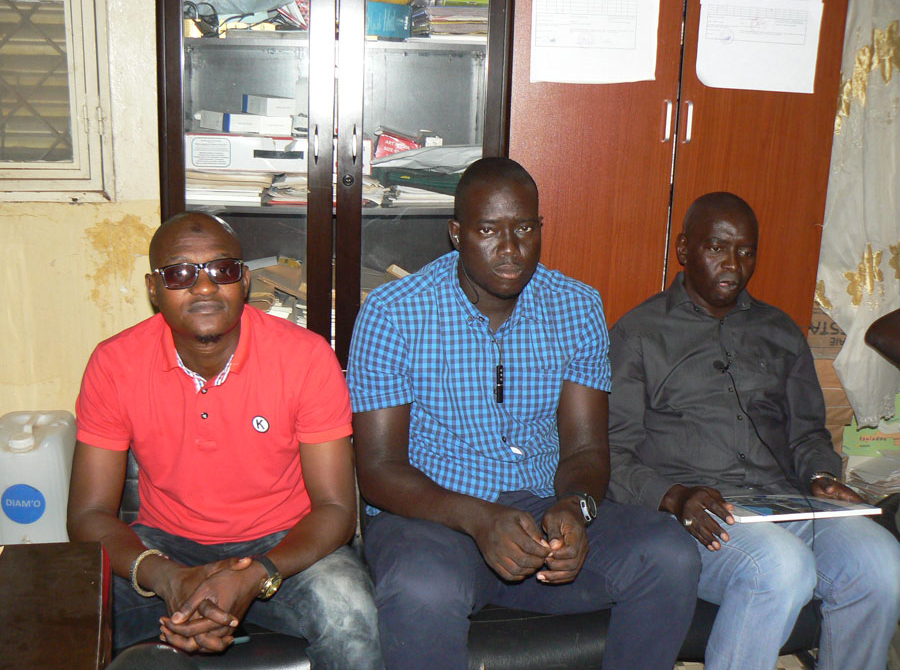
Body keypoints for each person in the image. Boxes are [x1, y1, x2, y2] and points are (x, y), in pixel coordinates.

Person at [346, 157, 701, 670]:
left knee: (669, 554)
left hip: (541, 509)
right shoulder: (394, 312)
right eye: (488, 230)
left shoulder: (575, 306)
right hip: (433, 518)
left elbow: (586, 449)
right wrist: (479, 519)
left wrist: (576, 507)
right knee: (422, 588)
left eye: (525, 229)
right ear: (456, 233)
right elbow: (379, 471)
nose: (510, 249)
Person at [67, 212, 382, 667]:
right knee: (62, 610)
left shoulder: (306, 358)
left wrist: (254, 576)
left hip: (283, 547)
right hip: (164, 546)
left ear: (245, 281)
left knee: (351, 614)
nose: (204, 287)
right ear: (154, 289)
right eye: (180, 273)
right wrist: (168, 578)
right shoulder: (115, 363)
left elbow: (336, 509)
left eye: (223, 270)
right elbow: (87, 514)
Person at [607, 191, 900, 670]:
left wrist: (821, 476)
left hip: (784, 504)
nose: (733, 264)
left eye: (746, 251)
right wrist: (674, 496)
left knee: (882, 561)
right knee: (780, 567)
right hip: (694, 516)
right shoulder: (638, 334)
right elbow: (611, 455)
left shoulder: (780, 331)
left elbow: (808, 435)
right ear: (683, 249)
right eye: (716, 248)